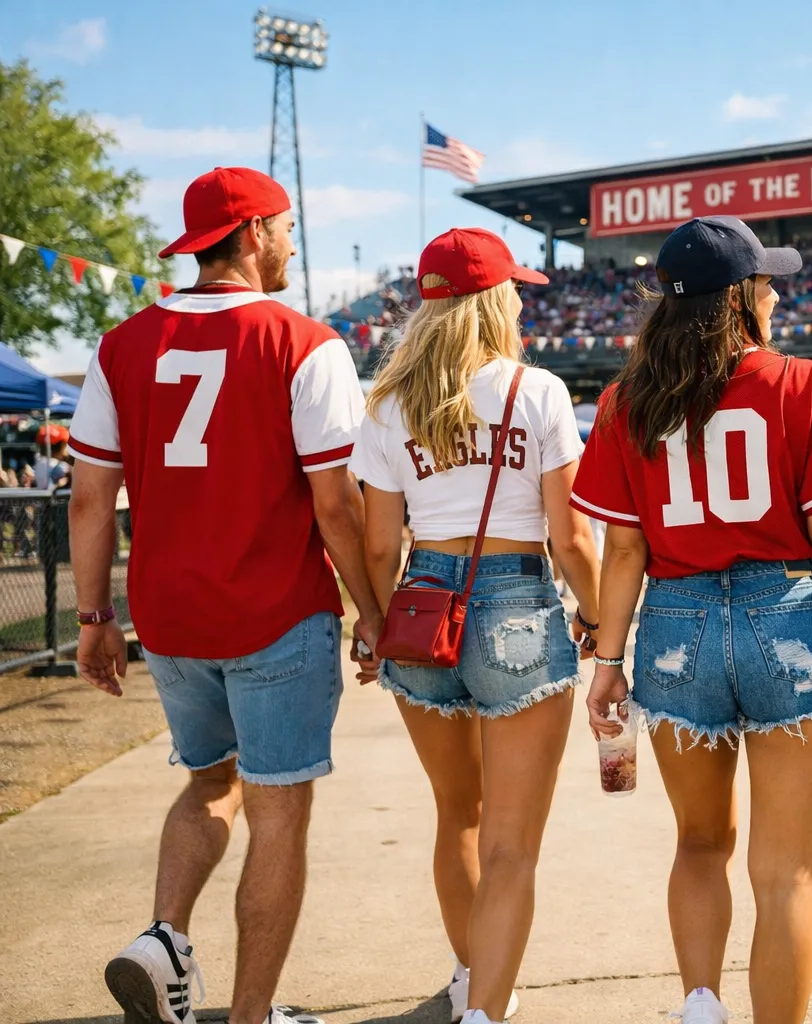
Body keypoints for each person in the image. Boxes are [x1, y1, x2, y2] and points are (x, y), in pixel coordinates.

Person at [68, 167, 381, 1024]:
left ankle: (163, 937)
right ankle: (250, 1014)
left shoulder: (121, 344)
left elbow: (90, 497)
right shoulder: (304, 341)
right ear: (250, 237)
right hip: (274, 612)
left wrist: (96, 619)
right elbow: (336, 504)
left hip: (169, 617)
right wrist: (373, 612)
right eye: (284, 229)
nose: (291, 244)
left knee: (211, 780)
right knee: (277, 810)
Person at [575, 216, 812, 1024]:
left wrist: (607, 662)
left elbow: (624, 551)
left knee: (700, 843)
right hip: (783, 610)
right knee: (787, 874)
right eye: (767, 282)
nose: (775, 294)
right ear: (739, 297)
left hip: (675, 621)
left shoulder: (622, 400)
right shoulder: (803, 384)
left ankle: (701, 1006)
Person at [351, 228, 600, 1024]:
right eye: (516, 288)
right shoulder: (539, 391)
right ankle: (487, 1012)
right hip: (518, 602)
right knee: (511, 845)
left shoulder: (390, 401)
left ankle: (473, 981)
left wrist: (374, 625)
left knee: (457, 814)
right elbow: (570, 536)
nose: (525, 298)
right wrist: (599, 620)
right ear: (496, 301)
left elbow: (380, 542)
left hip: (423, 602)